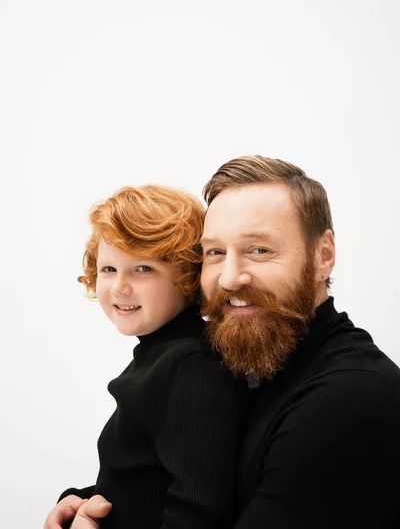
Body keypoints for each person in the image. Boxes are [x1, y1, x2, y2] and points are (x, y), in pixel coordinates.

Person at [47, 156, 400, 529]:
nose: (230, 278)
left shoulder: (349, 398)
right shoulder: (265, 368)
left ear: (323, 255)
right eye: (215, 252)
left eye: (259, 250)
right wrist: (87, 503)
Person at [44, 185, 245, 529]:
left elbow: (199, 512)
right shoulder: (161, 355)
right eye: (109, 269)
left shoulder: (192, 367)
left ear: (187, 274)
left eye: (143, 269)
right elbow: (146, 481)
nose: (120, 286)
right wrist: (76, 499)